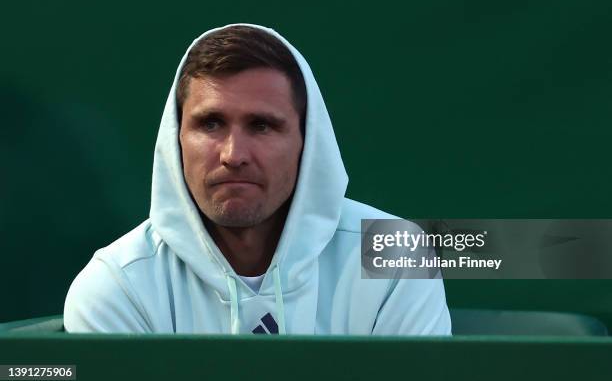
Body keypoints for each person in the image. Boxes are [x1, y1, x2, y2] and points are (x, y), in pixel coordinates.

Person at [63, 24, 452, 335]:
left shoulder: (396, 258)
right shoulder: (119, 286)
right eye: (211, 123)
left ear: (308, 140)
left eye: (262, 125)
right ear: (176, 138)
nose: (234, 155)